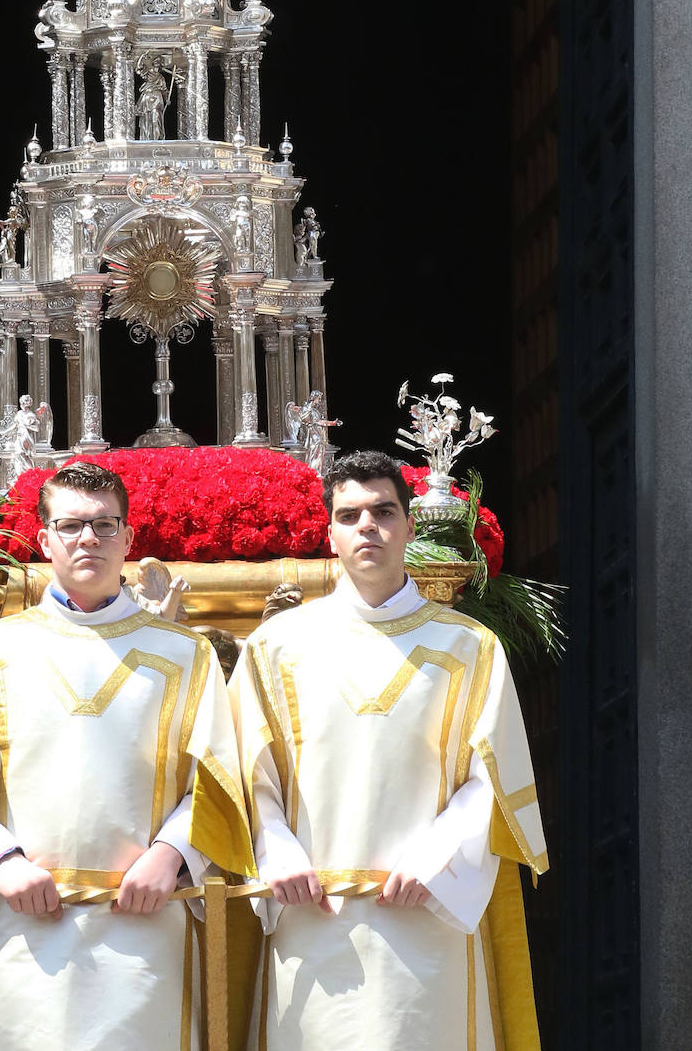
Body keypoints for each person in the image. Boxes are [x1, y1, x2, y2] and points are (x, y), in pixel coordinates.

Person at [0, 461, 253, 1051]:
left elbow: (221, 781)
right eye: (72, 525)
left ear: (128, 540)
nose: (89, 539)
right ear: (44, 540)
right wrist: (0, 863)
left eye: (105, 525)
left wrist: (172, 855)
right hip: (20, 925)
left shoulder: (186, 655)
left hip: (144, 928)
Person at [232, 450, 548, 1050]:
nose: (367, 527)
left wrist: (438, 856)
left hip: (425, 909)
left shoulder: (469, 647)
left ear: (409, 526)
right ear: (330, 534)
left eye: (382, 511)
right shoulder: (275, 646)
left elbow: (492, 776)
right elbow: (248, 770)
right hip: (311, 907)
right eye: (349, 515)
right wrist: (277, 852)